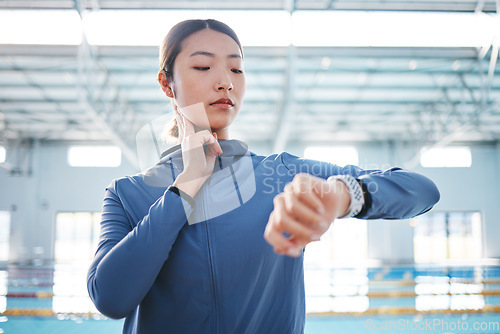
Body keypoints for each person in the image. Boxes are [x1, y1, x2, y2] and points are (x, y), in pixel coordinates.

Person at [87, 19, 440, 334]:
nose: (225, 82)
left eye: (237, 70)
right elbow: (111, 298)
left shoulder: (280, 174)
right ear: (167, 84)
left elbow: (421, 190)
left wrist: (343, 194)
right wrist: (186, 187)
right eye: (203, 66)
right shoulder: (127, 193)